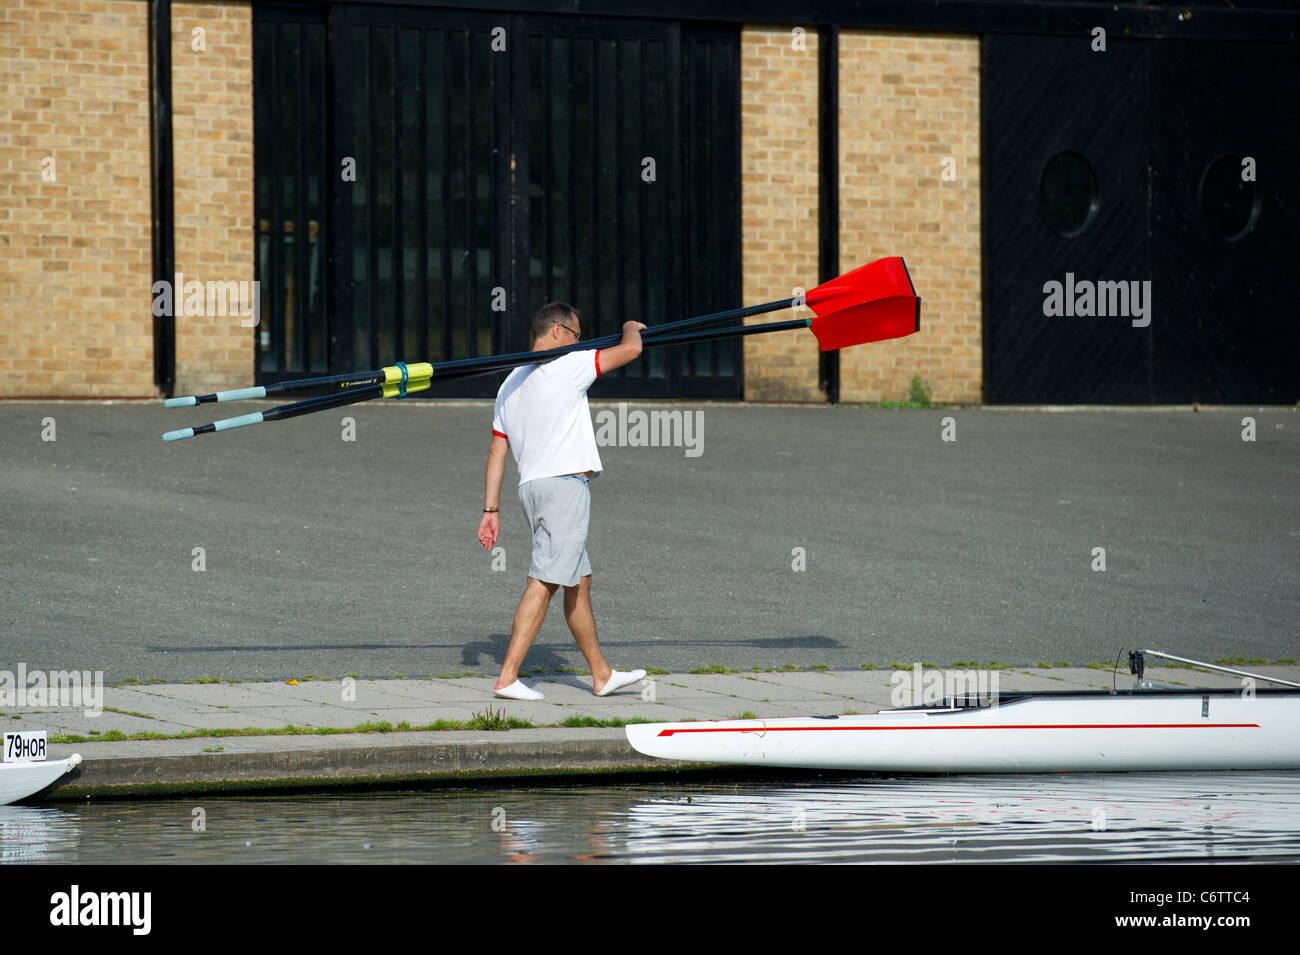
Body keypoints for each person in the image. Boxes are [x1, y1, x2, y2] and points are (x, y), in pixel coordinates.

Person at [477, 302, 648, 701]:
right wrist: (628, 325)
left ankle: (601, 674)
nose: (579, 342)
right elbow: (631, 350)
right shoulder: (568, 365)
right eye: (576, 335)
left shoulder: (509, 384)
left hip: (532, 490)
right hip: (563, 488)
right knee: (546, 579)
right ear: (557, 331)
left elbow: (496, 452)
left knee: (578, 582)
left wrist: (490, 510)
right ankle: (507, 677)